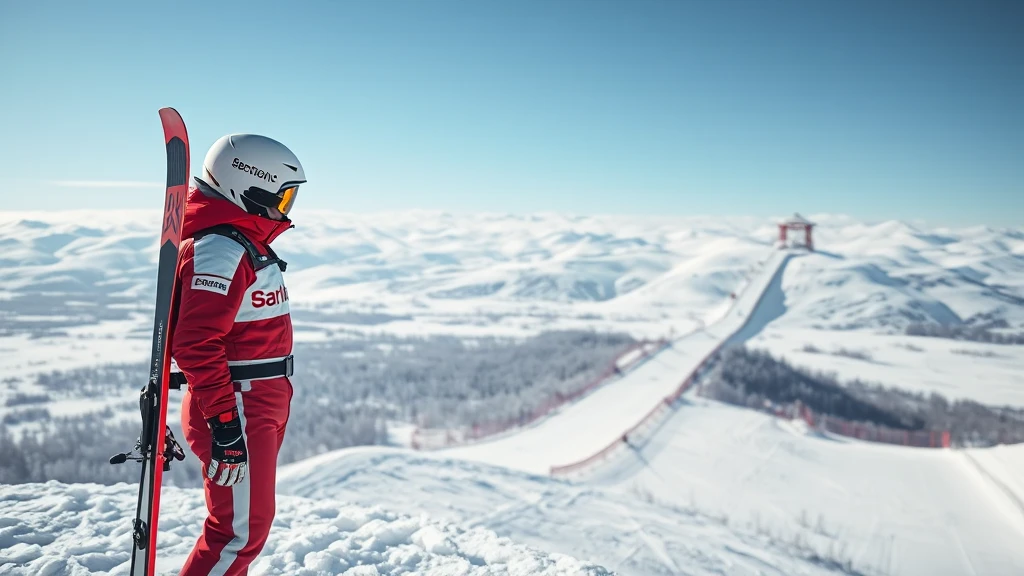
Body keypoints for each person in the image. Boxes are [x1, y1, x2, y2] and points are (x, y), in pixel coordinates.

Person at [170, 133, 305, 575]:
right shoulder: (221, 249)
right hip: (239, 406)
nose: (285, 210)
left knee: (244, 528)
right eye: (282, 197)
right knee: (238, 532)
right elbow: (195, 342)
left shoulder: (241, 243)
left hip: (256, 402)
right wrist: (227, 427)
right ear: (247, 187)